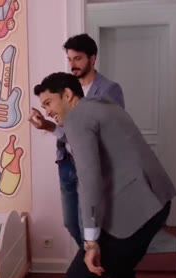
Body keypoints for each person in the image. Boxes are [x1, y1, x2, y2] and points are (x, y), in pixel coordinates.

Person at [33, 72, 176, 278]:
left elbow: (89, 179)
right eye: (43, 106)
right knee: (121, 270)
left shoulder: (78, 119)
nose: (48, 111)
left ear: (67, 94)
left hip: (136, 209)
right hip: (155, 201)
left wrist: (91, 241)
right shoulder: (103, 106)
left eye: (49, 102)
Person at [29, 33, 125, 249]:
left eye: (78, 58)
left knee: (87, 224)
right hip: (66, 162)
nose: (73, 65)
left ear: (92, 58)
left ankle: (90, 263)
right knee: (71, 223)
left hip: (91, 162)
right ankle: (89, 258)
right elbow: (69, 129)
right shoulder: (63, 87)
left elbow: (111, 131)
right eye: (69, 59)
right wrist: (48, 125)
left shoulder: (109, 90)